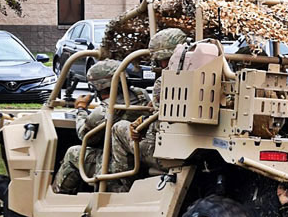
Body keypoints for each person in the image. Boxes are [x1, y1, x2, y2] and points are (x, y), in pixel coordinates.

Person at [54, 59, 151, 194]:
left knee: (73, 153)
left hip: (117, 167)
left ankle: (60, 196)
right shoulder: (141, 95)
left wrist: (81, 109)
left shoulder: (105, 111)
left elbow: (85, 136)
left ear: (98, 87)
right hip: (139, 159)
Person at [111, 28, 188, 177]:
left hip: (165, 152)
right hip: (192, 149)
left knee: (118, 128)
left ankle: (121, 187)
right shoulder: (206, 73)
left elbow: (165, 121)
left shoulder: (167, 80)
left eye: (160, 59)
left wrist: (143, 122)